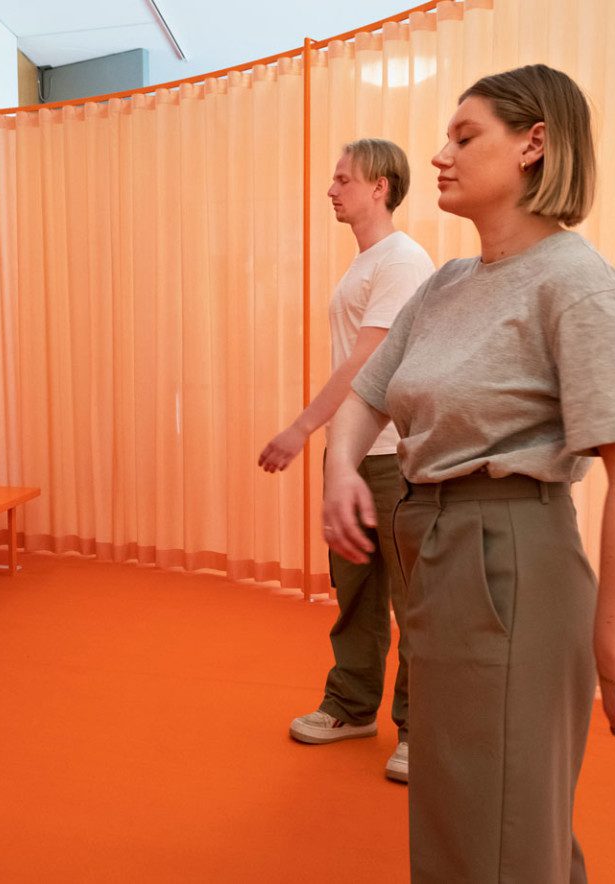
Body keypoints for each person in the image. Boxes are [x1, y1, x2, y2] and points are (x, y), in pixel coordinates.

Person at [322, 64, 615, 882]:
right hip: (439, 550)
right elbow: (365, 394)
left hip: (509, 555)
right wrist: (340, 465)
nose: (440, 156)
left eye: (464, 136)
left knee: (496, 825)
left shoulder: (580, 287)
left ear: (534, 144)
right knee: (474, 804)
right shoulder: (449, 283)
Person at [260, 139, 434, 783]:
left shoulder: (403, 261)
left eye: (342, 180)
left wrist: (304, 427)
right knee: (356, 590)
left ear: (380, 186)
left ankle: (421, 727)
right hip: (355, 454)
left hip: (396, 456)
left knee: (413, 598)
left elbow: (368, 364)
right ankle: (352, 706)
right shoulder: (364, 264)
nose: (331, 190)